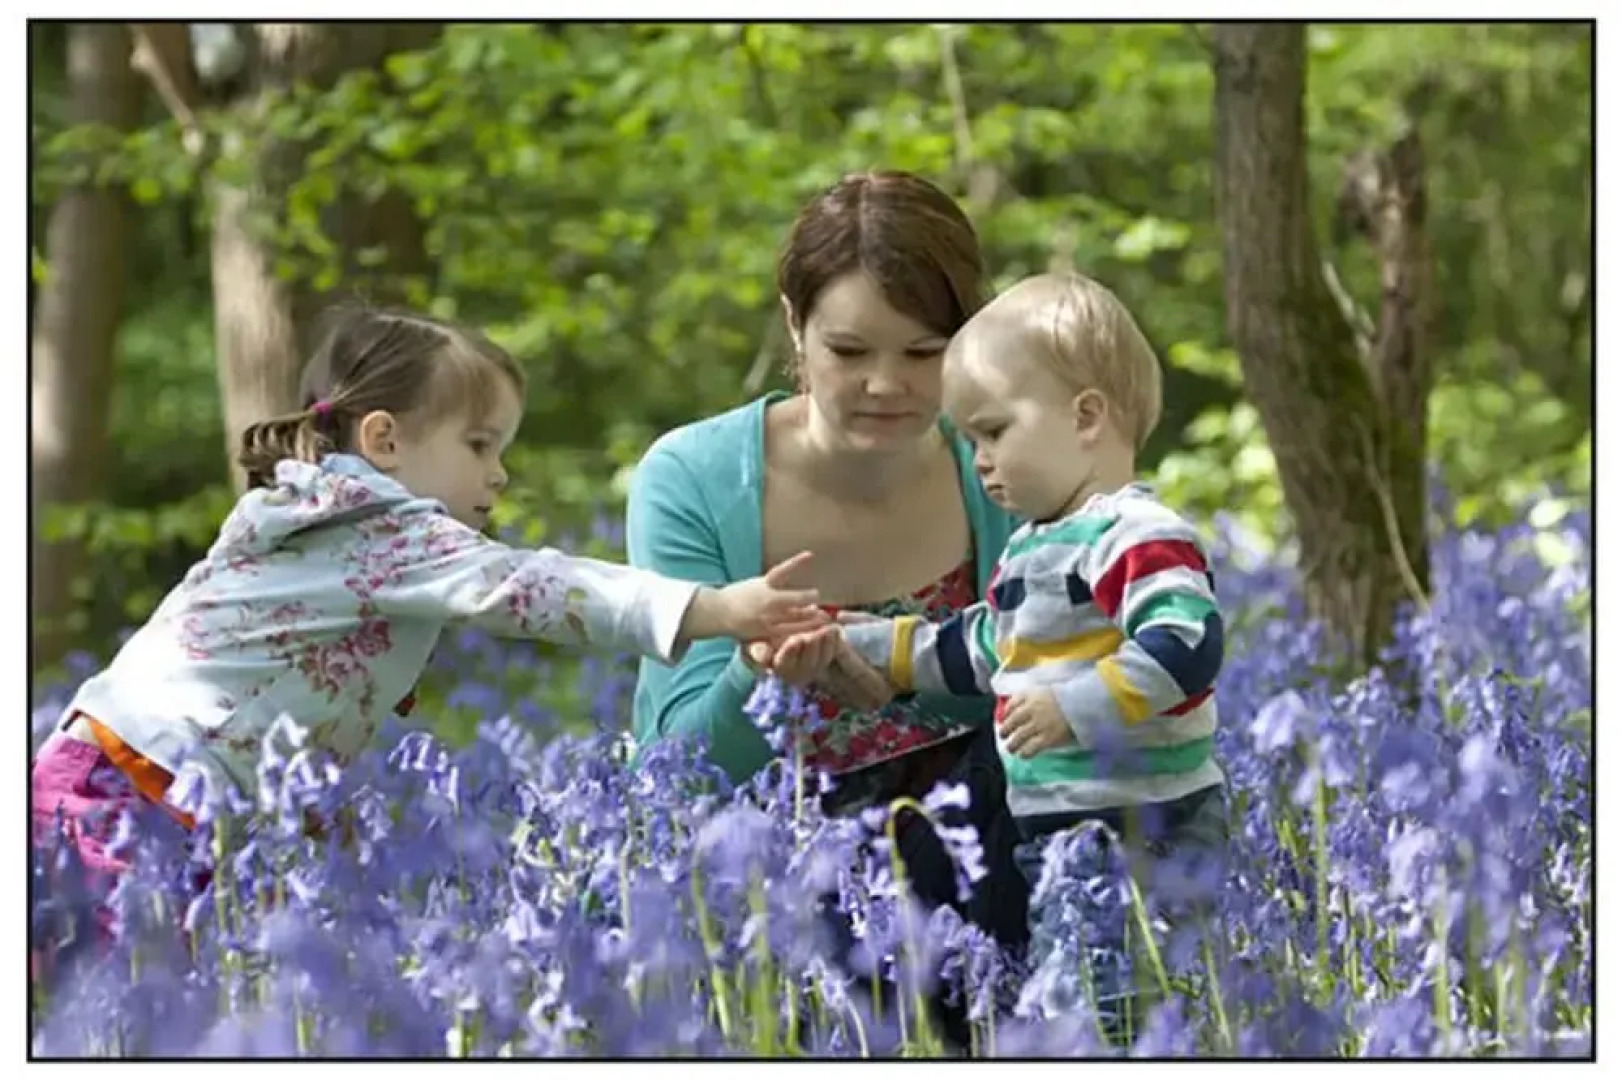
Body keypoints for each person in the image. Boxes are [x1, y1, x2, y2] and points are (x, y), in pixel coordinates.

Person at [30, 306, 827, 880]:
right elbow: (527, 585)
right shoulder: (377, 523)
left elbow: (290, 705)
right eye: (480, 445)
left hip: (136, 774)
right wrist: (714, 607)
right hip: (136, 787)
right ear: (385, 440)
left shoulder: (326, 514)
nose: (499, 473)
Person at [625, 170, 1033, 970]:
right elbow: (680, 779)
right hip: (759, 912)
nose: (888, 384)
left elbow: (1056, 682)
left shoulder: (1007, 467)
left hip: (977, 903)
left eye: (924, 352)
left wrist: (905, 669)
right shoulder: (692, 480)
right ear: (795, 324)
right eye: (849, 351)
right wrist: (765, 679)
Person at [814, 271, 1231, 1037]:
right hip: (1059, 836)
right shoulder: (1037, 547)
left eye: (995, 431)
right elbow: (981, 648)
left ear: (1085, 417)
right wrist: (863, 641)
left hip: (1146, 832)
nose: (979, 460)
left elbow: (1186, 646)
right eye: (969, 440)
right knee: (1075, 1001)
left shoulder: (1134, 534)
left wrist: (1077, 706)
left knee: (1120, 1010)